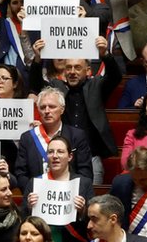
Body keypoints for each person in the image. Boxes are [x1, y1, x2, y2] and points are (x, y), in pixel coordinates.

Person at [35, 35, 119, 184]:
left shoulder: (96, 85)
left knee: (90, 199)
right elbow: (36, 84)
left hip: (91, 155)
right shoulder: (57, 86)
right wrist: (37, 59)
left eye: (77, 67)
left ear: (87, 71)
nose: (72, 71)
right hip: (61, 156)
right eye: (69, 68)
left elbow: (115, 77)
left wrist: (105, 54)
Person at [23, 136, 93, 242]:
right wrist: (29, 207)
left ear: (70, 156)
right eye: (51, 152)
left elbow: (93, 222)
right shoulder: (35, 183)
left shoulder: (83, 183)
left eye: (60, 152)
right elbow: (23, 219)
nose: (55, 156)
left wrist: (83, 210)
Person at [14, 87, 93, 194]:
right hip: (37, 198)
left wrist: (73, 194)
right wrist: (32, 193)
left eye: (52, 107)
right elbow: (21, 173)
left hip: (69, 197)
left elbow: (85, 172)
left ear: (62, 109)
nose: (47, 111)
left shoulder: (77, 135)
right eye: (42, 107)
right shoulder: (28, 138)